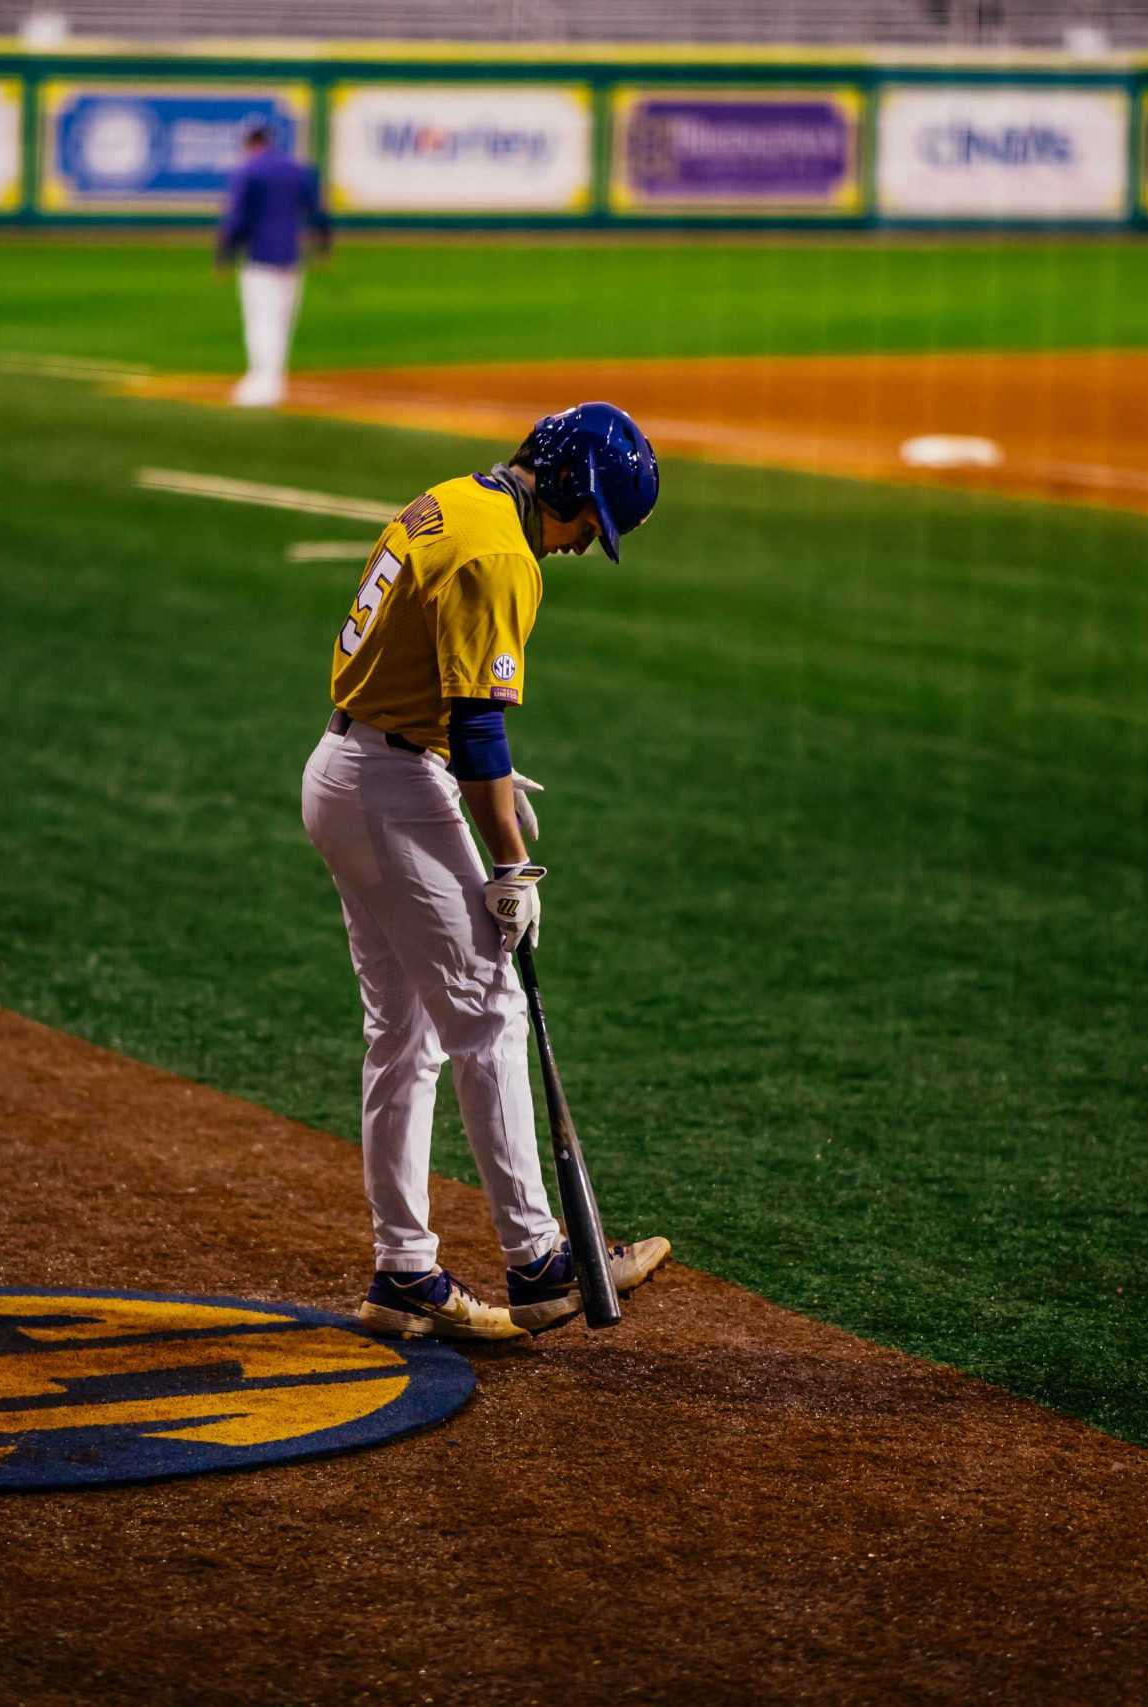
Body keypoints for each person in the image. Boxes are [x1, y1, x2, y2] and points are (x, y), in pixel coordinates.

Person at [299, 402, 671, 1341]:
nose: (590, 542)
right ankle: (542, 1260)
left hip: (348, 770)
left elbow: (453, 707)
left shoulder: (463, 499)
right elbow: (477, 730)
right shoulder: (503, 555)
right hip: (392, 785)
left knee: (405, 1034)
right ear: (569, 489)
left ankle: (404, 1275)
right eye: (593, 521)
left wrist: (490, 783)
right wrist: (513, 863)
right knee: (490, 1011)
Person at [216, 116, 330, 408]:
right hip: (292, 257)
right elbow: (318, 211)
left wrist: (225, 254)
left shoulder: (248, 170)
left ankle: (264, 384)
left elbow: (237, 218)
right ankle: (273, 379)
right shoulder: (297, 169)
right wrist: (324, 246)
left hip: (260, 256)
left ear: (249, 142)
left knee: (260, 323)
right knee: (281, 322)